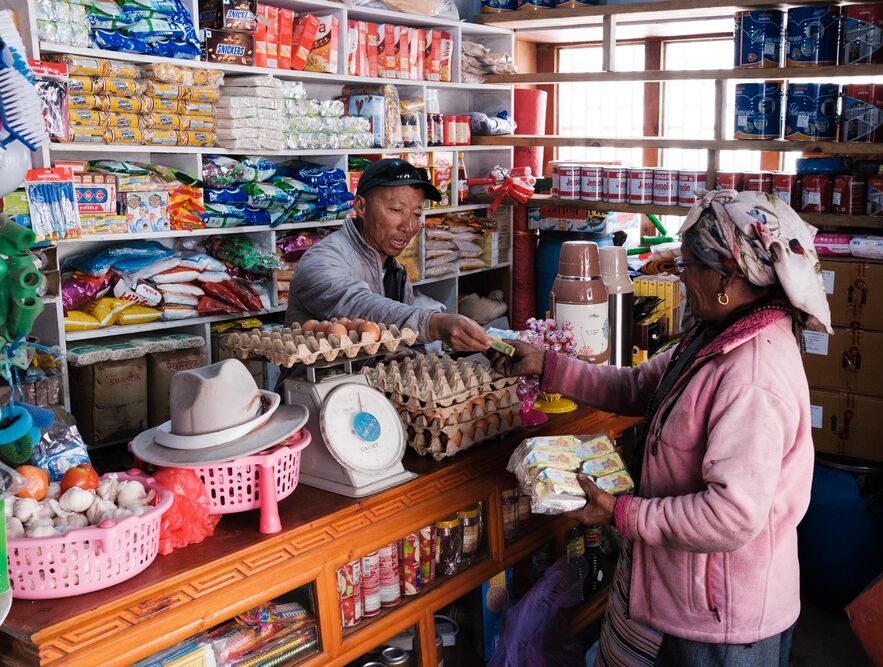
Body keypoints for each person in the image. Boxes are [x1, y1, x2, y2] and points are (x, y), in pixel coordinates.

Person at [494, 190, 832, 667]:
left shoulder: (752, 375)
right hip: (682, 589)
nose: (680, 275)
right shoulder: (715, 336)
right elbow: (638, 386)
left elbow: (730, 515)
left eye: (688, 264)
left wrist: (623, 514)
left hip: (723, 619)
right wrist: (549, 366)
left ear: (726, 278)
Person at [286, 158, 491, 352]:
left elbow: (402, 336)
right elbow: (359, 305)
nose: (409, 226)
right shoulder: (322, 261)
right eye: (395, 210)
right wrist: (433, 323)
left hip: (367, 386)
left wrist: (407, 353)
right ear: (361, 207)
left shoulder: (394, 268)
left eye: (417, 214)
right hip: (319, 386)